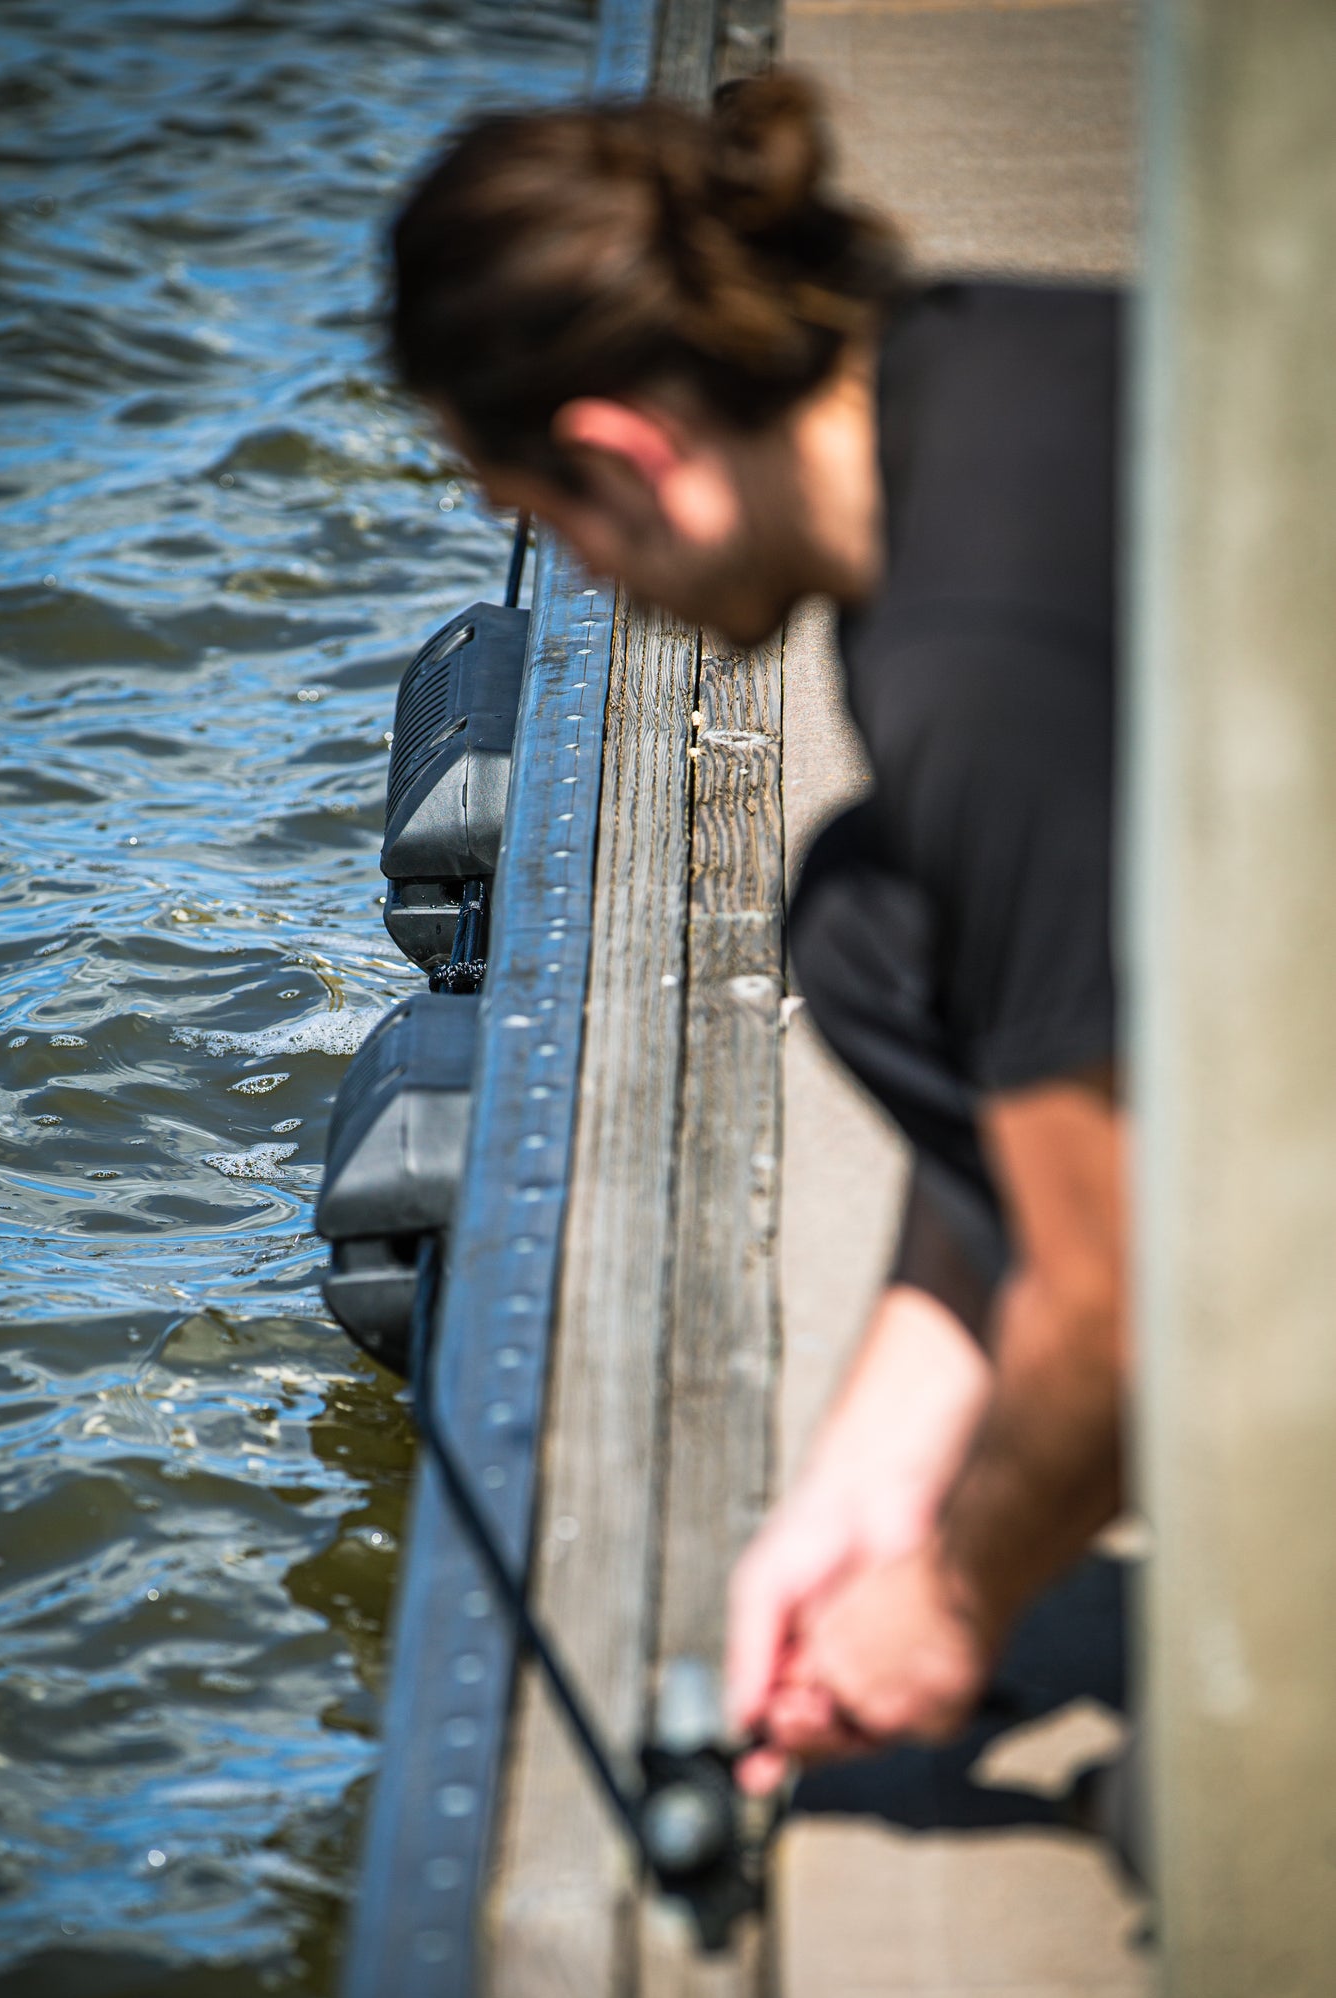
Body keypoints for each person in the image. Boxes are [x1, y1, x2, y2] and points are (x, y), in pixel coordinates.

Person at [388, 72, 1128, 1792]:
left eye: (555, 521)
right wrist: (876, 1474)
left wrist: (953, 1597)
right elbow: (1019, 1040)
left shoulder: (976, 670)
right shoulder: (977, 373)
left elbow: (1114, 1309)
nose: (584, 578)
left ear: (632, 453)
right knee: (877, 922)